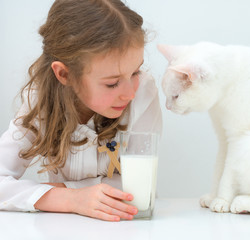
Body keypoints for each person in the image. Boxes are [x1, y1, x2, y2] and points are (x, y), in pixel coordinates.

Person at [0, 0, 162, 222]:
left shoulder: (143, 91)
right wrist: (70, 199)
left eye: (135, 72)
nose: (129, 93)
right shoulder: (39, 100)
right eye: (112, 83)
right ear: (64, 75)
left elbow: (140, 187)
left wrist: (63, 189)